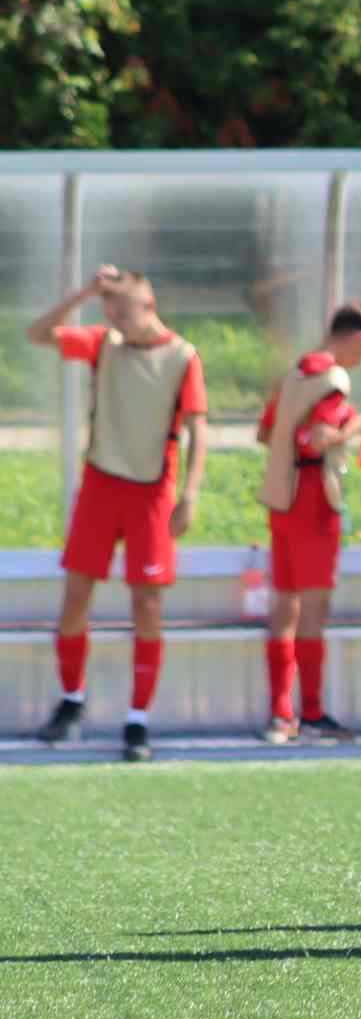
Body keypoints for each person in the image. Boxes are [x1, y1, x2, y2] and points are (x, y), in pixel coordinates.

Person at [25, 266, 207, 763]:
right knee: (76, 594)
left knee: (147, 605)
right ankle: (71, 700)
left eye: (121, 310)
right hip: (101, 484)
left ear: (147, 307)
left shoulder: (183, 356)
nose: (113, 319)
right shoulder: (104, 342)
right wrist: (83, 292)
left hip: (152, 492)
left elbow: (198, 428)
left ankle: (137, 720)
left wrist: (189, 493)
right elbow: (38, 333)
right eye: (107, 311)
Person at [256, 301, 361, 745]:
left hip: (280, 498)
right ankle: (310, 712)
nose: (360, 362)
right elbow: (317, 439)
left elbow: (266, 432)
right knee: (313, 610)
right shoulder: (333, 380)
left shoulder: (294, 374)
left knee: (284, 606)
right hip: (313, 499)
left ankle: (280, 714)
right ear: (359, 339)